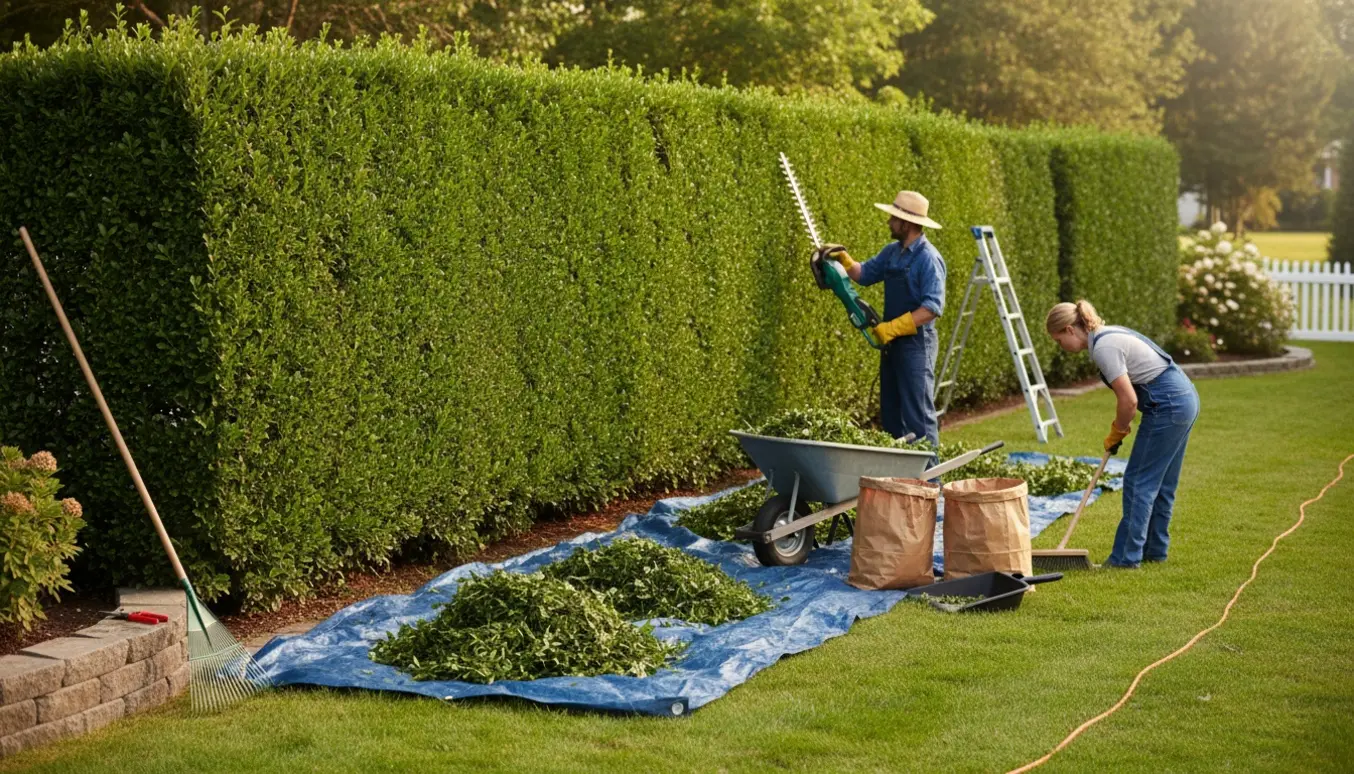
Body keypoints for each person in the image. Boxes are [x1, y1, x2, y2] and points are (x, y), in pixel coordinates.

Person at [1045, 300, 1201, 568]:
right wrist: (1119, 429)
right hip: (1183, 399)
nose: (1062, 348)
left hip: (1169, 405)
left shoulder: (1104, 348)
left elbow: (1129, 401)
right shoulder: (1107, 336)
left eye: (1059, 341)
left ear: (1070, 330)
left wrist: (1118, 430)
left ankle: (1125, 559)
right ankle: (1154, 550)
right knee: (1160, 483)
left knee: (1139, 482)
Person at [815, 191, 947, 445]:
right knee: (891, 414)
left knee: (918, 416)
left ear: (906, 224)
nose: (889, 222)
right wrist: (844, 260)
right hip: (892, 344)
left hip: (917, 345)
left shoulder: (928, 258)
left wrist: (894, 328)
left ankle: (931, 481)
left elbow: (932, 307)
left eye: (893, 218)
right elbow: (864, 274)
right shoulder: (893, 252)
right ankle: (895, 479)